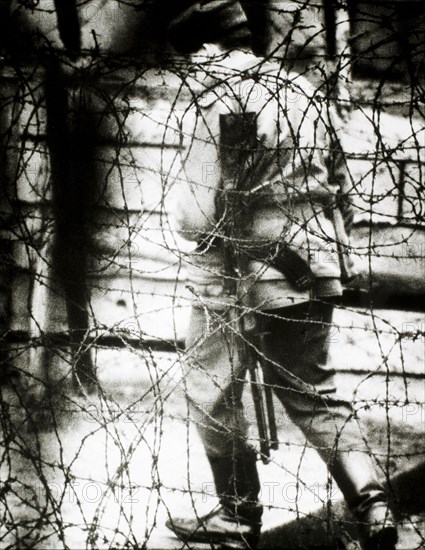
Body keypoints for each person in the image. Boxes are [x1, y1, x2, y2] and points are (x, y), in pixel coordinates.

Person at [165, 2, 398, 549]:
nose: (191, 73)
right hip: (313, 265)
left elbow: (196, 215)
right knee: (315, 392)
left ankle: (237, 515)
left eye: (191, 59)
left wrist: (184, 221)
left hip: (237, 272)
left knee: (209, 390)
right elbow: (341, 187)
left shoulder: (215, 102)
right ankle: (373, 503)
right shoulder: (303, 92)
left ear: (207, 49)